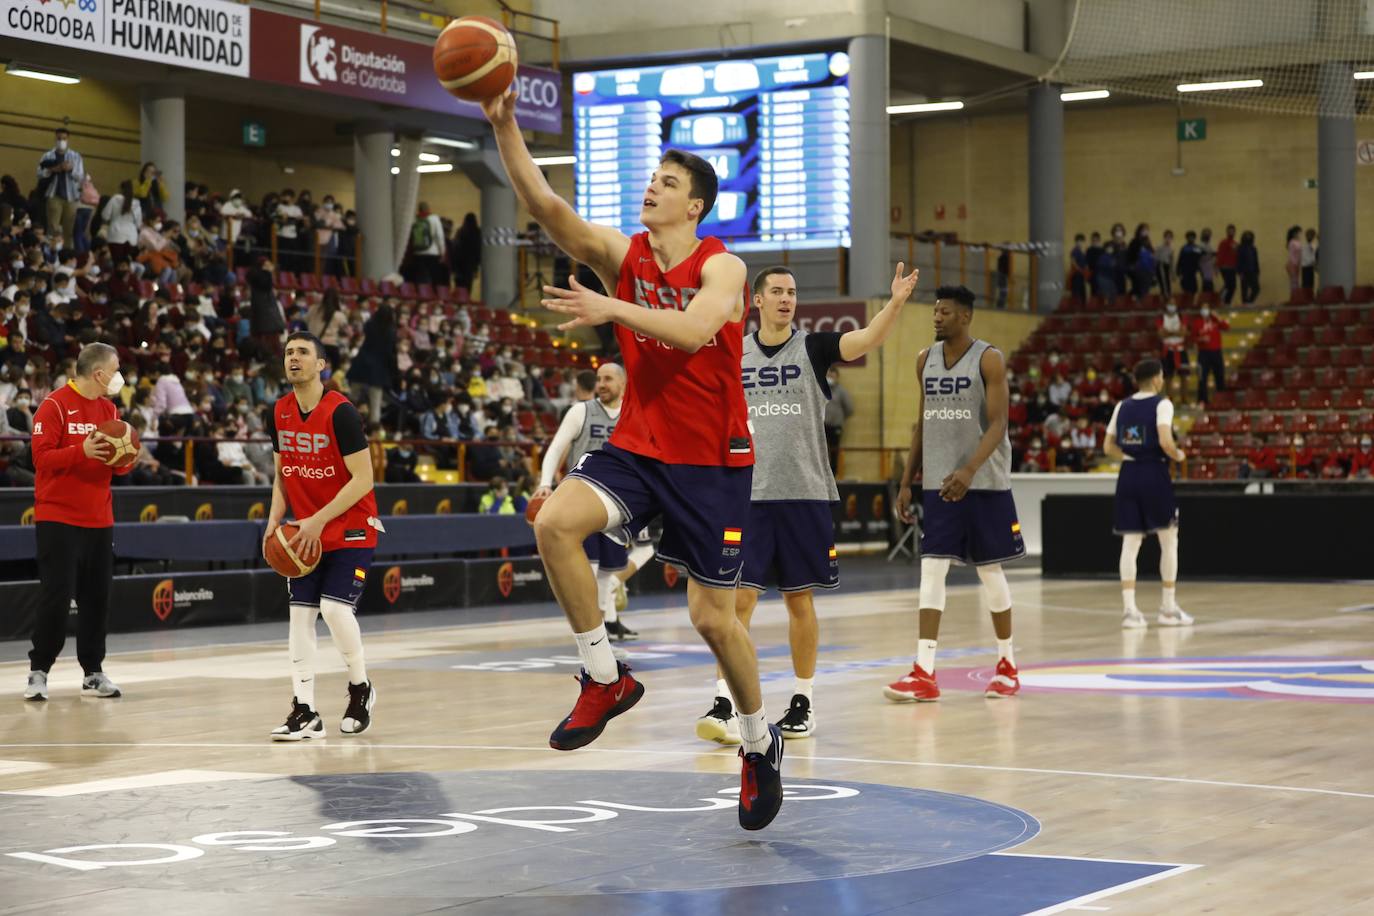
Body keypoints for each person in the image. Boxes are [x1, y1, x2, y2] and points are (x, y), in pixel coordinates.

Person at [483, 87, 784, 830]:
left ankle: (757, 741)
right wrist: (503, 123)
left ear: (696, 208)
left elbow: (691, 331)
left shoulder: (726, 269)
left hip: (713, 461)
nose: (653, 186)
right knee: (555, 523)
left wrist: (611, 308)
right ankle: (603, 677)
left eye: (669, 183)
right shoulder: (625, 255)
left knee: (713, 620)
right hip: (640, 447)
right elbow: (546, 205)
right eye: (653, 177)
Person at [697, 261, 918, 745]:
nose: (786, 298)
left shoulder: (814, 348)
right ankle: (725, 701)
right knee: (740, 600)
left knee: (800, 599)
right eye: (776, 291)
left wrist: (896, 303)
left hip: (805, 493)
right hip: (748, 496)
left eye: (792, 292)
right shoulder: (735, 353)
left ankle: (803, 700)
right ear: (756, 300)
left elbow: (866, 340)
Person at [885, 285, 1023, 704]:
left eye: (944, 312)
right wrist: (907, 482)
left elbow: (998, 424)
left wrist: (968, 469)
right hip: (940, 484)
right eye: (935, 311)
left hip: (983, 482)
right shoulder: (923, 360)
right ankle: (924, 671)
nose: (936, 317)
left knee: (989, 571)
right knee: (931, 570)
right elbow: (922, 424)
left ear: (965, 316)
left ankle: (1007, 664)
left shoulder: (989, 358)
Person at [263, 331, 382, 740]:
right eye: (288, 353)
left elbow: (363, 479)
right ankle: (305, 710)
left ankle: (360, 687)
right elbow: (282, 474)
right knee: (299, 618)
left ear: (321, 365)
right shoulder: (277, 411)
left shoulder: (341, 412)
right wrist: (273, 520)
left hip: (351, 526)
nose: (293, 358)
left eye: (302, 353)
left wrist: (316, 520)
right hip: (305, 532)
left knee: (333, 610)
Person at [24, 342, 132, 700]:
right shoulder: (54, 405)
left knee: (97, 597)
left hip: (99, 517)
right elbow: (41, 459)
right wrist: (79, 451)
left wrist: (126, 457)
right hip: (58, 515)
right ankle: (39, 671)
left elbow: (115, 463)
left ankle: (93, 671)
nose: (119, 376)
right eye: (115, 369)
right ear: (99, 373)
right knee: (56, 596)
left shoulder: (109, 407)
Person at [534, 362, 640, 641]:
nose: (601, 384)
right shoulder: (581, 411)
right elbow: (556, 447)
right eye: (599, 379)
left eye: (608, 379)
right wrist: (545, 484)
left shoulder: (633, 415)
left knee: (610, 570)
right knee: (589, 567)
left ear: (622, 384)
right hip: (581, 502)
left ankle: (604, 622)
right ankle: (589, 628)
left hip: (616, 505)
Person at [1103, 359, 1192, 629]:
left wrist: (1129, 454)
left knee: (1130, 544)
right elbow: (1165, 439)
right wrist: (1178, 455)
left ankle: (1129, 611)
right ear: (1156, 379)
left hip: (1128, 474)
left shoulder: (1122, 406)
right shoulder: (1162, 404)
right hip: (1154, 473)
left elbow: (1108, 446)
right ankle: (1167, 608)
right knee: (1168, 540)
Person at [346, 302, 397, 422]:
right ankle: (374, 428)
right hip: (379, 369)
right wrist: (393, 371)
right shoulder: (391, 331)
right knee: (375, 402)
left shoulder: (369, 325)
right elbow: (390, 353)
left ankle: (345, 420)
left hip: (362, 363)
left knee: (352, 396)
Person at [37, 128, 84, 243]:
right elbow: (39, 173)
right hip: (54, 195)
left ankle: (67, 256)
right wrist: (53, 170)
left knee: (69, 230)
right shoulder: (47, 155)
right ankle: (51, 254)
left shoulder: (76, 156)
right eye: (59, 138)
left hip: (71, 197)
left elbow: (80, 176)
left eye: (64, 139)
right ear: (55, 138)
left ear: (68, 139)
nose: (61, 141)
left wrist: (71, 169)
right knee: (52, 228)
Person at [1192, 302, 1229, 405]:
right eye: (1203, 308)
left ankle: (1221, 399)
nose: (1205, 311)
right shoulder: (1197, 322)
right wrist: (1201, 339)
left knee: (1220, 375)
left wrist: (1217, 316)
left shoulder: (1215, 320)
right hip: (1203, 353)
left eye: (1207, 308)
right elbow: (1193, 338)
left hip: (1216, 352)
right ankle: (1203, 399)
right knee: (1202, 377)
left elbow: (1226, 327)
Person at [824, 366, 854, 474]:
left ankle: (834, 473)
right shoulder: (821, 389)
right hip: (822, 426)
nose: (830, 377)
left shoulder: (841, 391)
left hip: (835, 426)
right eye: (828, 375)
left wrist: (839, 418)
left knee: (834, 451)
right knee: (821, 450)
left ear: (837, 377)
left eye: (832, 375)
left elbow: (849, 409)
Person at [1157, 301, 1190, 404]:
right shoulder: (1161, 318)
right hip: (1168, 351)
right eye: (1170, 304)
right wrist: (1176, 332)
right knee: (1168, 377)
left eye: (1173, 304)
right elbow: (1161, 334)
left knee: (1184, 376)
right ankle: (1170, 399)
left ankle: (1184, 399)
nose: (1172, 306)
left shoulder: (1181, 317)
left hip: (1180, 350)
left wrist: (1169, 332)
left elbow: (1183, 333)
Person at [409, 203, 446, 286]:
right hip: (433, 253)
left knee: (421, 280)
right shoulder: (434, 219)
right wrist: (442, 252)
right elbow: (440, 236)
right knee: (434, 278)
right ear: (429, 209)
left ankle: (422, 297)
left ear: (419, 209)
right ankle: (432, 297)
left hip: (418, 253)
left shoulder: (415, 220)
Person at [452, 212, 482, 290]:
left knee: (459, 289)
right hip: (471, 265)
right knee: (468, 287)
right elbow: (478, 249)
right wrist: (477, 266)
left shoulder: (460, 231)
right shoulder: (477, 232)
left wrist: (454, 266)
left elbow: (455, 248)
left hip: (459, 265)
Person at [1216, 224, 1239, 304]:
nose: (1231, 233)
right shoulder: (1223, 242)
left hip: (1233, 268)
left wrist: (1237, 268)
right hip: (1225, 267)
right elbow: (1220, 254)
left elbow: (1237, 256)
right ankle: (1221, 299)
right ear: (1227, 232)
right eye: (1229, 231)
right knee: (1229, 285)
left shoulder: (1235, 243)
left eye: (1233, 231)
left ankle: (1227, 301)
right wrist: (1217, 266)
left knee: (1232, 286)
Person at [1176, 230, 1201, 296]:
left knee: (1194, 288)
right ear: (1187, 238)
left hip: (1193, 271)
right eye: (1189, 237)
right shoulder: (1184, 248)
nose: (1191, 238)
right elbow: (1180, 260)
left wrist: (1199, 269)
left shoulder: (1197, 248)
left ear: (1194, 238)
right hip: (1185, 271)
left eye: (1192, 237)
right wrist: (1178, 270)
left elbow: (1199, 258)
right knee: (1185, 287)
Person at [1285, 225, 1303, 293]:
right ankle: (1294, 296)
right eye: (1298, 233)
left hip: (1297, 264)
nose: (1300, 234)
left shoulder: (1298, 242)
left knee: (1296, 281)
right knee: (1294, 282)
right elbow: (1291, 254)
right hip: (1293, 263)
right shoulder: (1292, 242)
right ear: (1294, 233)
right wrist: (1295, 264)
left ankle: (1296, 296)